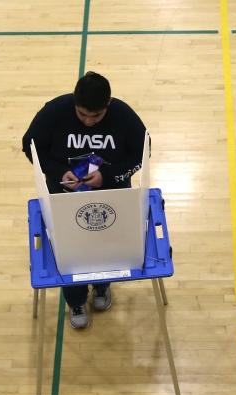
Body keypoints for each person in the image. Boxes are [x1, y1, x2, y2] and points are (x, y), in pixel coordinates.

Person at [22, 72, 148, 329]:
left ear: (108, 104)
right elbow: (29, 146)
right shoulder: (54, 112)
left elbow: (143, 153)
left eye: (97, 116)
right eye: (82, 115)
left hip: (111, 196)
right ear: (74, 103)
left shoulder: (123, 116)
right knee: (72, 249)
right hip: (64, 198)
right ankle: (76, 300)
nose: (89, 121)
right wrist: (57, 173)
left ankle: (102, 286)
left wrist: (108, 176)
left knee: (106, 243)